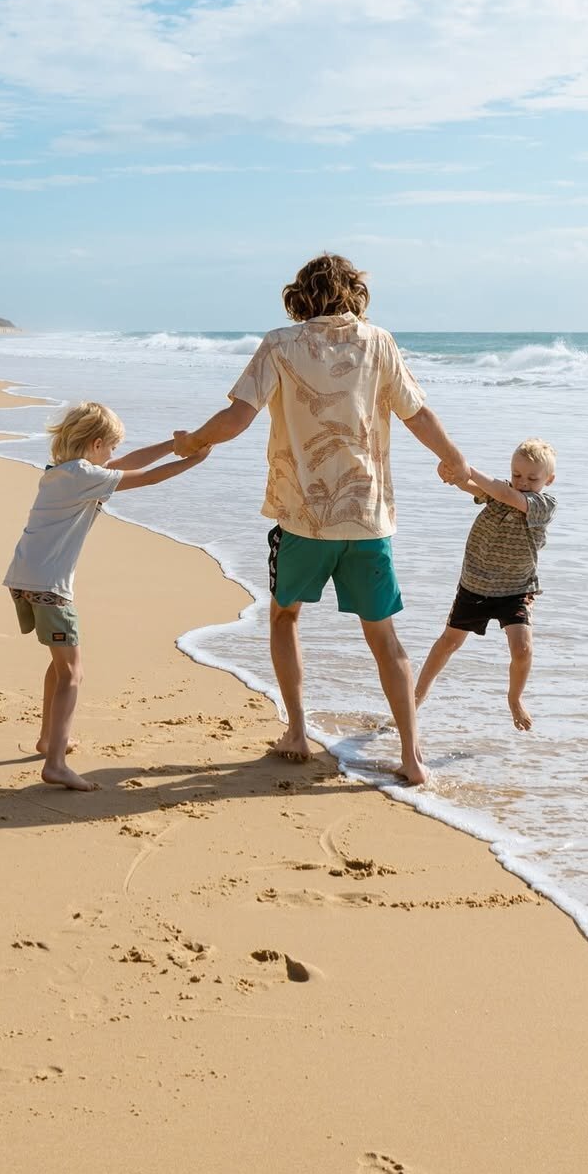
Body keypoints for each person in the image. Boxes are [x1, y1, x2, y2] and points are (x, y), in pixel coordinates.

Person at [172, 253, 468, 786]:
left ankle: (297, 732)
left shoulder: (280, 344)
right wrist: (453, 458)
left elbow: (238, 417)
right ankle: (412, 756)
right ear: (354, 292)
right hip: (366, 518)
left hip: (302, 518)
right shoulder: (379, 343)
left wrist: (194, 441)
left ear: (299, 296)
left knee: (285, 617)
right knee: (384, 638)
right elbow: (417, 413)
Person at [5, 401, 209, 792]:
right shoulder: (84, 476)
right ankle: (55, 763)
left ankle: (49, 740)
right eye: (111, 446)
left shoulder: (62, 473)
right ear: (96, 445)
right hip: (49, 585)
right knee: (73, 672)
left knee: (60, 664)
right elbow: (146, 477)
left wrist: (173, 445)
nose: (114, 454)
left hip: (25, 577)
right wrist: (192, 461)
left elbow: (125, 464)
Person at [415, 439, 557, 732]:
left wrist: (466, 467)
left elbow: (503, 492)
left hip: (516, 589)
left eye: (532, 478)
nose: (523, 483)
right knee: (449, 642)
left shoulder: (544, 505)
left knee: (522, 649)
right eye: (517, 475)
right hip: (475, 584)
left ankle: (515, 698)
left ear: (548, 480)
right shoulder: (498, 493)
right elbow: (470, 485)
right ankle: (415, 699)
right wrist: (452, 472)